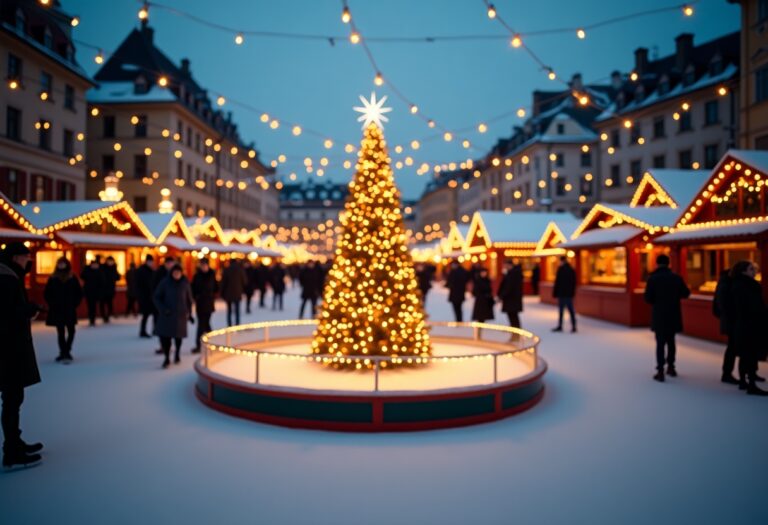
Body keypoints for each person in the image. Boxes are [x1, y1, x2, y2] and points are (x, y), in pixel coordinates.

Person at [0, 243, 44, 469]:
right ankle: (12, 450)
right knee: (12, 398)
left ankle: (15, 443)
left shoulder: (10, 276)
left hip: (10, 346)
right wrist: (26, 310)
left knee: (13, 398)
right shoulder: (6, 278)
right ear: (16, 257)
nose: (29, 261)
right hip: (9, 348)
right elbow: (6, 314)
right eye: (27, 257)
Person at [643, 254, 691, 382]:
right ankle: (671, 367)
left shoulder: (653, 279)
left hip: (659, 315)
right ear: (668, 263)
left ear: (657, 263)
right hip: (673, 314)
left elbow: (648, 298)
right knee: (671, 342)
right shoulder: (676, 278)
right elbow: (686, 293)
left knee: (660, 343)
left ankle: (660, 370)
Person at [726, 261, 768, 396]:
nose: (754, 272)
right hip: (750, 324)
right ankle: (751, 384)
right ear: (743, 271)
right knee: (750, 353)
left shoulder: (737, 284)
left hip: (743, 324)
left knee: (745, 354)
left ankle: (744, 381)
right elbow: (752, 306)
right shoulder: (746, 286)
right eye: (751, 269)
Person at [153, 264, 193, 368]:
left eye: (179, 273)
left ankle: (177, 354)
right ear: (171, 273)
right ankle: (167, 358)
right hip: (167, 315)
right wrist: (163, 309)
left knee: (178, 338)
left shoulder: (185, 283)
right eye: (175, 273)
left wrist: (190, 314)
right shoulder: (165, 283)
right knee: (166, 338)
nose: (177, 275)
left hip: (180, 316)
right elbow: (157, 297)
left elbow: (189, 300)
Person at [44, 257, 83, 363]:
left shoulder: (72, 277)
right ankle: (63, 352)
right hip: (57, 309)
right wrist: (52, 304)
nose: (61, 266)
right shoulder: (53, 278)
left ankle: (67, 350)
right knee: (60, 332)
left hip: (69, 308)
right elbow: (47, 293)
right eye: (59, 264)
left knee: (71, 330)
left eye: (63, 264)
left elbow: (79, 292)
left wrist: (74, 304)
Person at [713, 269, 741, 384]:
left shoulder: (724, 284)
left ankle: (728, 372)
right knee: (732, 347)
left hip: (730, 320)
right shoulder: (726, 285)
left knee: (733, 347)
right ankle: (727, 373)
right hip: (732, 320)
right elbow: (724, 304)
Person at [191, 258, 217, 354]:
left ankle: (210, 343)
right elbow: (192, 288)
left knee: (205, 324)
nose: (203, 267)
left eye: (205, 265)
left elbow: (216, 287)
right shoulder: (197, 276)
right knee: (202, 325)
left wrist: (211, 295)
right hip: (200, 304)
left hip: (209, 303)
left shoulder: (212, 275)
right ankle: (205, 344)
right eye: (202, 265)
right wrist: (196, 296)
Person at [497, 259, 523, 339]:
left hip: (512, 300)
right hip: (511, 300)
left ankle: (516, 335)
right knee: (512, 317)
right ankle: (515, 334)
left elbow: (509, 287)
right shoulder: (511, 273)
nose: (504, 266)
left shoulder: (513, 274)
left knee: (513, 317)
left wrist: (502, 296)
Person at [552, 256, 577, 333]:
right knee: (570, 310)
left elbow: (557, 282)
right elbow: (573, 282)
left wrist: (555, 292)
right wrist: (572, 292)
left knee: (562, 310)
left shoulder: (561, 270)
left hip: (562, 293)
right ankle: (573, 326)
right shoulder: (571, 269)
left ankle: (561, 326)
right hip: (568, 294)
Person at [220, 258, 247, 326]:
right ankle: (237, 324)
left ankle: (229, 324)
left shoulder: (226, 269)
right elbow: (244, 281)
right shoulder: (240, 269)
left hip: (228, 293)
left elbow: (223, 282)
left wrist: (222, 292)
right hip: (237, 292)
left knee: (229, 310)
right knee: (237, 310)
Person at [80, 257, 105, 326]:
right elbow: (82, 276)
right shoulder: (87, 270)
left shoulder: (100, 271)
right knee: (91, 306)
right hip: (89, 292)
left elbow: (102, 282)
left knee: (96, 306)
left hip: (97, 292)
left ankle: (97, 317)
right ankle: (91, 319)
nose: (94, 266)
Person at [136, 255, 156, 338]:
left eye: (151, 262)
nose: (150, 263)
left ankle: (155, 330)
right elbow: (139, 284)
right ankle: (143, 331)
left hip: (152, 296)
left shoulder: (152, 271)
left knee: (155, 314)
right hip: (144, 297)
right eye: (149, 261)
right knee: (146, 315)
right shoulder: (141, 271)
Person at [100, 256, 120, 323]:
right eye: (109, 261)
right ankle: (104, 316)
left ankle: (108, 316)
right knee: (102, 304)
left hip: (111, 289)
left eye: (111, 261)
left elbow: (117, 277)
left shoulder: (114, 268)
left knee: (109, 304)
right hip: (103, 289)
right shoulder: (102, 268)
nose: (110, 262)